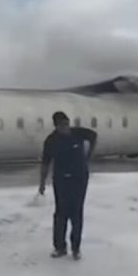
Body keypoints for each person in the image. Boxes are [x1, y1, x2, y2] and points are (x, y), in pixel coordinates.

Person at [39, 111, 98, 260]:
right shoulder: (51, 141)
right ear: (56, 126)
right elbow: (45, 163)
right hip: (61, 180)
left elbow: (93, 136)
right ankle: (60, 247)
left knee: (76, 213)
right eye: (62, 125)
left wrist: (89, 155)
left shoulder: (78, 133)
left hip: (79, 179)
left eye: (67, 124)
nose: (66, 127)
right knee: (61, 214)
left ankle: (76, 248)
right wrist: (42, 183)